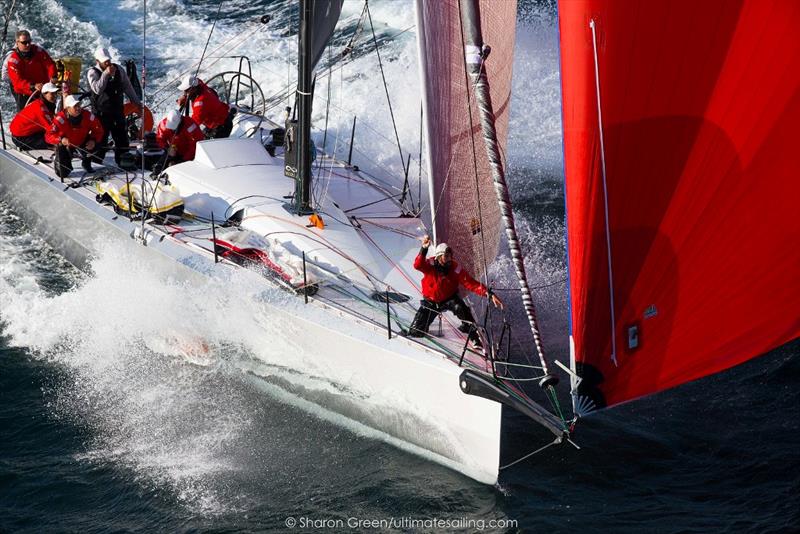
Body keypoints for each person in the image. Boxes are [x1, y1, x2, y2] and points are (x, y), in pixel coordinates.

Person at [408, 236, 503, 346]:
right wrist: (424, 249)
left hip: (449, 298)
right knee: (416, 331)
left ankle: (474, 336)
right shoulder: (431, 264)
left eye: (450, 256)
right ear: (439, 256)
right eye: (446, 256)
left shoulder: (455, 268)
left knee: (462, 309)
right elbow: (417, 265)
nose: (449, 258)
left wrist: (489, 294)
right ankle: (418, 330)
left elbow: (471, 284)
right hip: (430, 301)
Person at [86, 47, 141, 166]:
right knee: (101, 140)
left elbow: (128, 87)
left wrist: (137, 103)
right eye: (104, 61)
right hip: (101, 114)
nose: (107, 63)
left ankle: (123, 163)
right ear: (97, 61)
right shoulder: (92, 73)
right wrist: (105, 74)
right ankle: (96, 163)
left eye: (108, 60)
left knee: (122, 139)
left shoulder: (119, 70)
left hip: (117, 111)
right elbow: (97, 89)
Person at [46, 94, 104, 178]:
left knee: (99, 143)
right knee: (62, 173)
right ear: (68, 108)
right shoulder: (60, 119)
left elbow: (99, 130)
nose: (78, 108)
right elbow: (48, 135)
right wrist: (61, 139)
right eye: (75, 106)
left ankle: (86, 162)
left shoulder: (88, 116)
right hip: (66, 144)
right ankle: (59, 159)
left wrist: (93, 140)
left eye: (79, 105)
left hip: (82, 140)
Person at [6, 30, 57, 111]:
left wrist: (53, 76)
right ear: (17, 43)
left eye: (29, 41)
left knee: (49, 111)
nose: (28, 44)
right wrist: (33, 86)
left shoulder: (38, 51)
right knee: (26, 116)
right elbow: (18, 82)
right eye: (24, 42)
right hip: (24, 92)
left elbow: (50, 64)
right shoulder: (13, 61)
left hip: (42, 88)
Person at [177, 74, 234, 139]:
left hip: (222, 127)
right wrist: (185, 96)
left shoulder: (200, 104)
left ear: (194, 89)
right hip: (216, 119)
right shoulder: (200, 84)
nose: (184, 92)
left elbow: (193, 124)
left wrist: (180, 134)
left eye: (186, 91)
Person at [9, 82, 59, 150]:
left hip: (27, 132)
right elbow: (52, 129)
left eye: (56, 93)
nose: (55, 96)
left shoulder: (41, 102)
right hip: (20, 138)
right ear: (44, 94)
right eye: (52, 93)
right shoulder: (41, 109)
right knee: (51, 141)